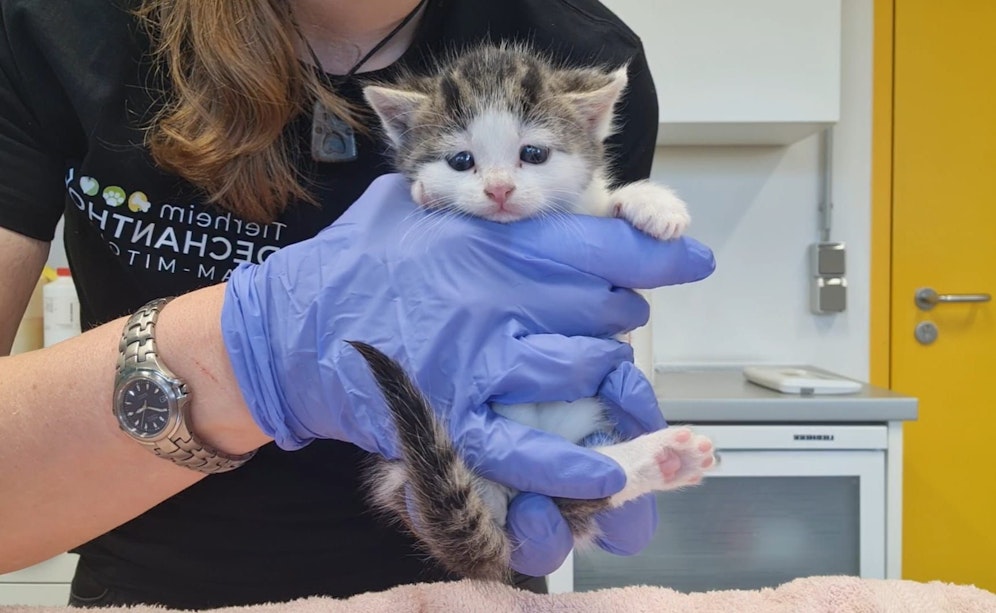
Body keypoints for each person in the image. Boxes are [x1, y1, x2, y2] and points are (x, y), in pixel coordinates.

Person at [0, 0, 715, 609]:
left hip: (469, 586)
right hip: (154, 589)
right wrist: (252, 352)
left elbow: (561, 356)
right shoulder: (62, 27)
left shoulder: (579, 53)